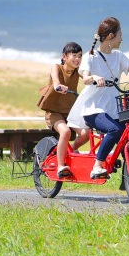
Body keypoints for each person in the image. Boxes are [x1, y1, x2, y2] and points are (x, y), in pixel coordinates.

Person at [67, 17, 129, 179]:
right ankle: (97, 165)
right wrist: (95, 77)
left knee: (125, 140)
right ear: (110, 37)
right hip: (93, 110)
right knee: (114, 130)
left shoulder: (118, 56)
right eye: (119, 35)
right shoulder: (91, 57)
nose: (121, 39)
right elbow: (85, 77)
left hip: (114, 110)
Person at [36, 42, 89, 177]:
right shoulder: (57, 67)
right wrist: (58, 85)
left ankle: (73, 150)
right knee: (65, 131)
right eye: (74, 55)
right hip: (54, 112)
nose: (77, 59)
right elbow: (55, 81)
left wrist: (97, 80)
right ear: (64, 57)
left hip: (71, 112)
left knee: (86, 133)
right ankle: (60, 166)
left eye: (80, 56)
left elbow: (87, 78)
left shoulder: (78, 71)